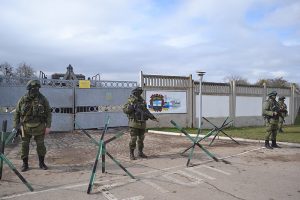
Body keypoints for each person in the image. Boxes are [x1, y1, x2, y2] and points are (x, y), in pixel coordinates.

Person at [13, 80, 52, 171]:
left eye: (37, 88)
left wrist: (48, 126)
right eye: (33, 88)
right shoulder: (23, 99)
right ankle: (25, 164)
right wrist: (16, 127)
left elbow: (48, 113)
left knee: (41, 145)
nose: (35, 90)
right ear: (29, 89)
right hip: (25, 127)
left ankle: (41, 163)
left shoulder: (43, 99)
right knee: (24, 145)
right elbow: (17, 113)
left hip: (40, 126)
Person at [123, 87, 158, 160]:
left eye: (140, 92)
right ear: (135, 92)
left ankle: (140, 152)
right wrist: (131, 106)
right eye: (138, 92)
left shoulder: (142, 101)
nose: (140, 93)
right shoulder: (130, 101)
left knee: (141, 139)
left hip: (142, 123)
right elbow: (125, 110)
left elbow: (146, 111)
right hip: (134, 123)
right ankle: (131, 154)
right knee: (133, 139)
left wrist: (152, 117)